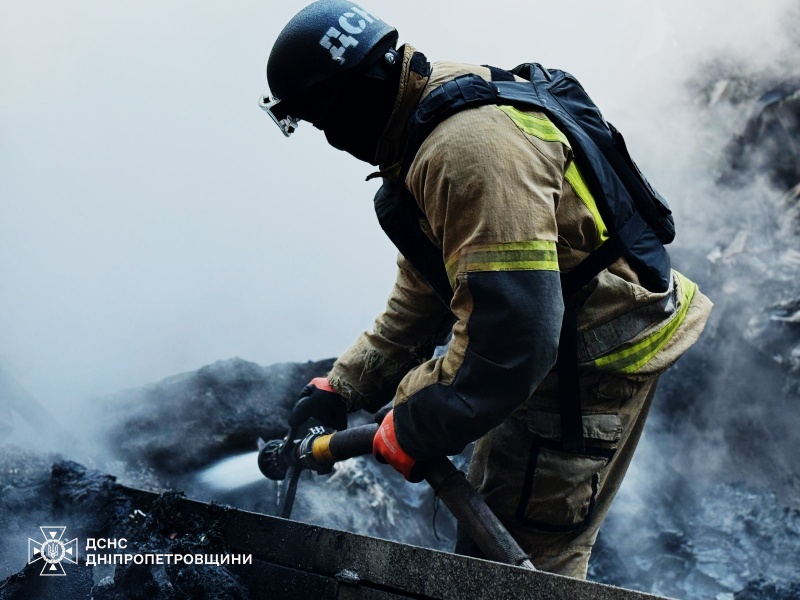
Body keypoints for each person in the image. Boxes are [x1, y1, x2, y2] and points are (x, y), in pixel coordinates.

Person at [262, 0, 712, 579]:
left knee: (512, 575)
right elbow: (428, 288)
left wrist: (416, 423)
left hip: (585, 368)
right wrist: (344, 385)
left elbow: (514, 341)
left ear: (357, 94)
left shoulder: (465, 151)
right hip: (558, 343)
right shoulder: (426, 108)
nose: (329, 140)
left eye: (325, 122)